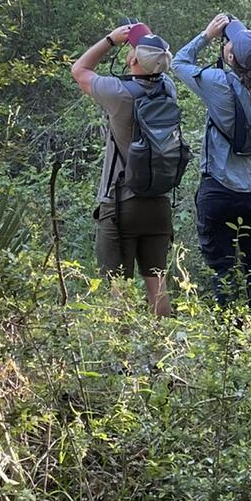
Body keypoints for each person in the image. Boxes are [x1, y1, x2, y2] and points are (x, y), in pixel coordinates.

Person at [173, 11, 251, 321]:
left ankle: (229, 341)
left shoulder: (217, 82)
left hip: (219, 188)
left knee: (224, 268)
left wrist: (206, 36)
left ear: (229, 55)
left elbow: (178, 63)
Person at [70, 21, 178, 316]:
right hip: (158, 201)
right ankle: (163, 353)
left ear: (131, 60)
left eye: (132, 50)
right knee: (157, 283)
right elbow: (153, 64)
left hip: (120, 204)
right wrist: (143, 42)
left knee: (119, 287)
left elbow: (79, 70)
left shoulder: (119, 93)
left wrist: (109, 40)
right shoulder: (168, 89)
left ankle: (123, 360)